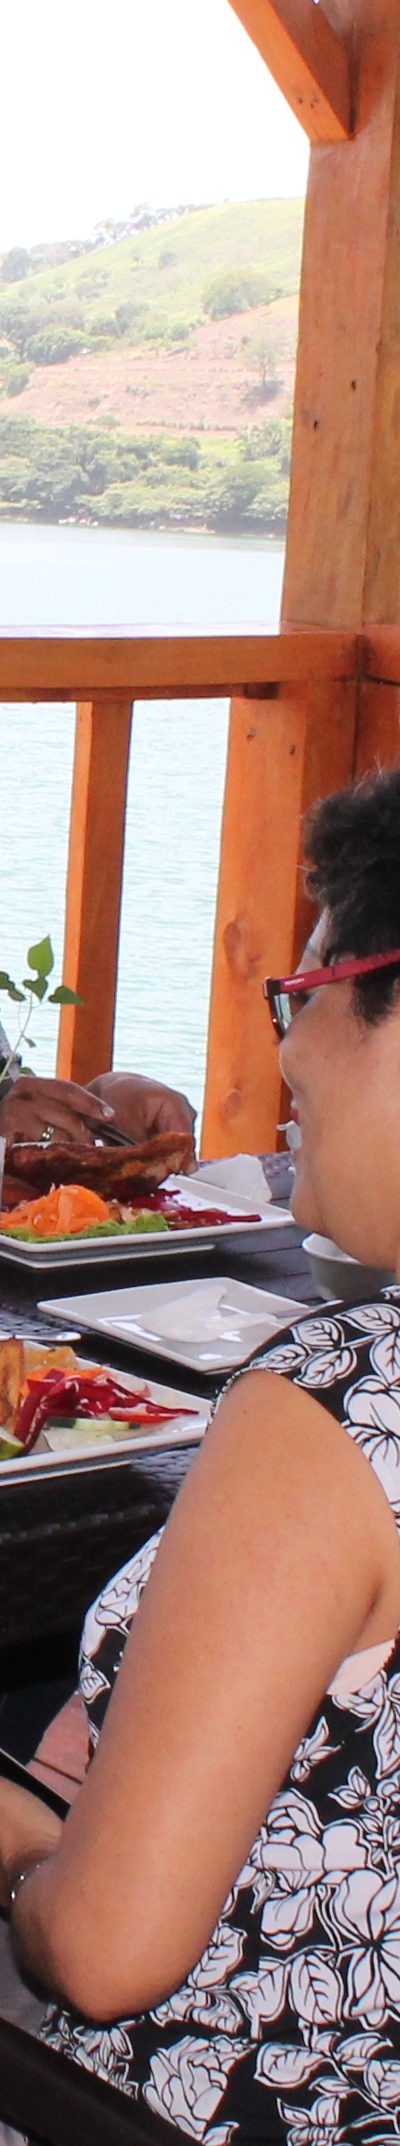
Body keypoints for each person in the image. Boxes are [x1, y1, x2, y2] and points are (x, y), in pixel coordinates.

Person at [3, 765, 400, 2144]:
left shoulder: (335, 1410)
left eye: (306, 993)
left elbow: (104, 1953)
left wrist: (31, 1848)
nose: (284, 1053)